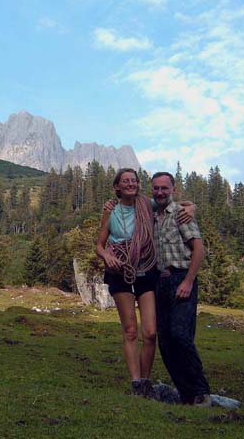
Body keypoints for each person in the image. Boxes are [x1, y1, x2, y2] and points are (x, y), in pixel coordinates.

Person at [96, 168, 195, 398]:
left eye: (134, 181)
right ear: (117, 187)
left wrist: (192, 208)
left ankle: (146, 379)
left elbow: (175, 203)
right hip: (119, 272)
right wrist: (106, 256)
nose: (130, 184)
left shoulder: (147, 204)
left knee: (150, 332)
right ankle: (137, 384)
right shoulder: (111, 211)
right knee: (130, 330)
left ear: (138, 185)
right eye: (125, 181)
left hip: (146, 271)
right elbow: (99, 245)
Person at [151, 171, 211, 407]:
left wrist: (187, 281)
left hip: (181, 278)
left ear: (173, 189)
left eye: (164, 188)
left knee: (181, 335)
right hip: (160, 282)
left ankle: (201, 391)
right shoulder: (152, 215)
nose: (160, 192)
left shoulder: (181, 214)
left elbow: (198, 248)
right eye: (156, 188)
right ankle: (185, 393)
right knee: (165, 341)